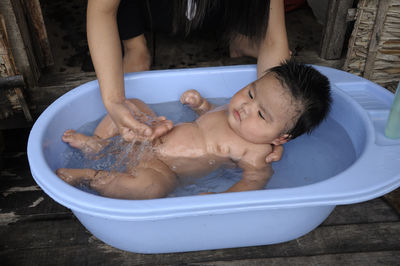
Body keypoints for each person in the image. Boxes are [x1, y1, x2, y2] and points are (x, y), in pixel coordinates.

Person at [56, 61, 331, 200]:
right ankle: (99, 143)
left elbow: (253, 181)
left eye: (261, 114)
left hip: (163, 168)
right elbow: (207, 118)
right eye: (250, 92)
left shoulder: (257, 151)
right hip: (150, 135)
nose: (246, 106)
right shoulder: (228, 109)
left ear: (280, 137)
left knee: (151, 189)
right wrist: (201, 105)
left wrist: (222, 201)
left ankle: (91, 176)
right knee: (132, 105)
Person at [86, 0, 291, 143]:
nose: (248, 106)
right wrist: (114, 100)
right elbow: (103, 9)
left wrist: (274, 128)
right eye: (251, 96)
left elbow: (274, 41)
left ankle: (238, 36)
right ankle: (134, 45)